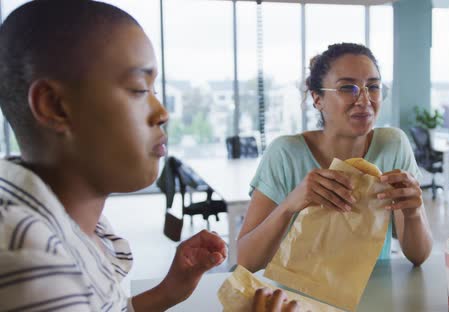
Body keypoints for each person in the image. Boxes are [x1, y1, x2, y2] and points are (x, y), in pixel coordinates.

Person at [0, 1, 296, 311]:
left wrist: (167, 291)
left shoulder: (80, 222)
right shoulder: (30, 264)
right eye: (140, 89)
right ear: (56, 106)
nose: (162, 112)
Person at [237, 43, 433, 272]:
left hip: (373, 295)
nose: (364, 100)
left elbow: (418, 256)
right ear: (317, 99)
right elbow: (246, 261)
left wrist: (413, 212)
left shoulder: (393, 146)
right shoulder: (285, 154)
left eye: (373, 87)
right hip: (298, 300)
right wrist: (290, 205)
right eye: (348, 88)